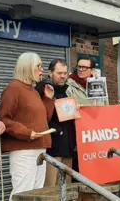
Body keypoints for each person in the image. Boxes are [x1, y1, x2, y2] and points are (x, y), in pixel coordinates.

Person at [0, 52, 55, 200]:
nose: (42, 70)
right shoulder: (13, 89)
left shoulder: (34, 92)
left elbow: (44, 119)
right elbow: (3, 119)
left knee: (35, 193)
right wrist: (27, 133)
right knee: (23, 192)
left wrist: (48, 100)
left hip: (39, 147)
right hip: (23, 149)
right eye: (39, 66)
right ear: (28, 67)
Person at [34, 59, 77, 187]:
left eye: (65, 73)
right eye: (59, 73)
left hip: (68, 148)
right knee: (50, 188)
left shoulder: (67, 91)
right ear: (50, 73)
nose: (63, 76)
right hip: (52, 148)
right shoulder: (42, 89)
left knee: (66, 188)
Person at [66, 56, 109, 177]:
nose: (81, 69)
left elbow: (106, 108)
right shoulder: (69, 86)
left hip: (97, 139)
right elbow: (66, 110)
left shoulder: (99, 85)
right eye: (79, 66)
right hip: (78, 138)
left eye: (85, 67)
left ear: (92, 70)